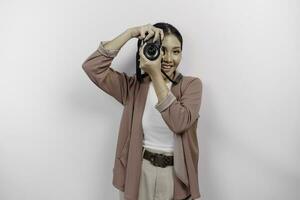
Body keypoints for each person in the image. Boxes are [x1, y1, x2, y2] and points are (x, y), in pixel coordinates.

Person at [82, 22, 203, 200]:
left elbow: (179, 123)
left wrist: (155, 74)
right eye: (162, 50)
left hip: (175, 176)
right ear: (149, 49)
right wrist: (130, 33)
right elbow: (92, 67)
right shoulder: (134, 87)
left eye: (176, 51)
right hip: (139, 171)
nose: (169, 58)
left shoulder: (191, 85)